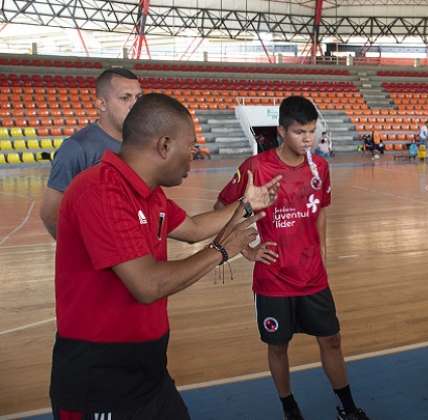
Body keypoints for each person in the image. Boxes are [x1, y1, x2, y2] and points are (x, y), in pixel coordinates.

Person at [50, 93, 282, 420]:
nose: (194, 156)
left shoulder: (149, 194)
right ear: (164, 145)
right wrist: (221, 251)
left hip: (148, 368)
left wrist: (247, 203)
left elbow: (193, 227)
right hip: (100, 375)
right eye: (190, 148)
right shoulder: (100, 191)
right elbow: (147, 284)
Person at [214, 96, 370, 420]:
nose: (308, 139)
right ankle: (290, 408)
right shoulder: (256, 168)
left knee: (332, 341)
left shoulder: (320, 167)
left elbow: (321, 214)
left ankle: (349, 407)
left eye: (312, 131)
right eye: (300, 132)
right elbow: (221, 210)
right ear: (282, 130)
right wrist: (247, 250)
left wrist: (323, 253)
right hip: (273, 279)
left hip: (313, 276)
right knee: (278, 347)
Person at [40, 68, 143, 239]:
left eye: (138, 97)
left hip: (136, 251)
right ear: (101, 104)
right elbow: (50, 214)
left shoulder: (142, 142)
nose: (134, 104)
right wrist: (83, 253)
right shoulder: (76, 148)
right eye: (125, 98)